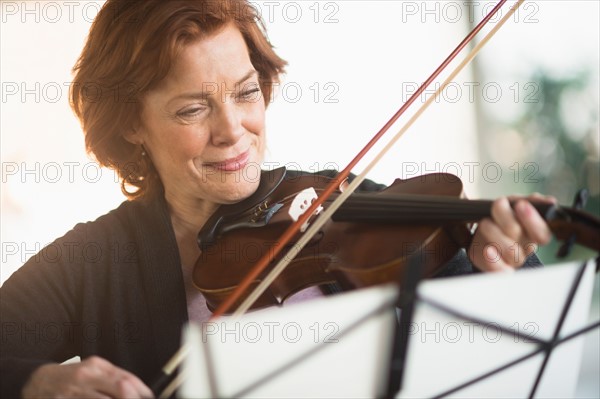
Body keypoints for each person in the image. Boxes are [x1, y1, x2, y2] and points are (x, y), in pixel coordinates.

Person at [0, 1, 554, 398]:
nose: (234, 131)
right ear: (132, 127)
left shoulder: (334, 203)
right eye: (193, 109)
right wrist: (36, 382)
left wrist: (498, 267)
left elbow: (489, 335)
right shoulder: (96, 260)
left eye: (245, 93)